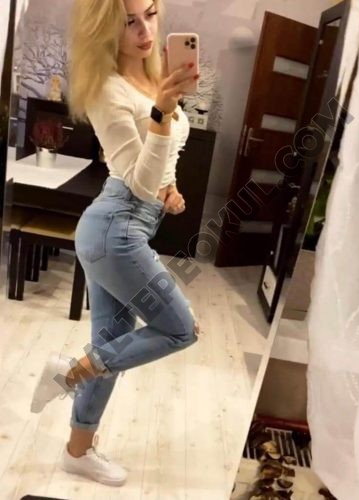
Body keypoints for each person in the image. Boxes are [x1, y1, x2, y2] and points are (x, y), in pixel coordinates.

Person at [29, 0, 201, 487]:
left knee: (110, 345)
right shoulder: (108, 90)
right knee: (181, 329)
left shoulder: (154, 79)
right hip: (115, 230)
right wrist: (161, 113)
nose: (145, 30)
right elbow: (136, 181)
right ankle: (69, 374)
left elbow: (158, 165)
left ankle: (77, 452)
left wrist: (169, 189)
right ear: (105, 30)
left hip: (126, 226)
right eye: (129, 21)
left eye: (150, 14)